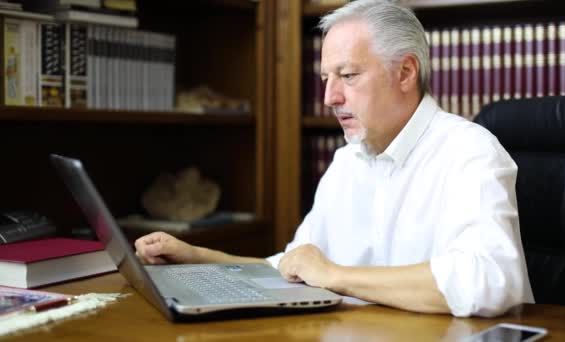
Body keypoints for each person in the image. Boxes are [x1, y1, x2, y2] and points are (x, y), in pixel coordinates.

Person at [135, 0, 534, 317]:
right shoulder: (348, 162)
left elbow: (491, 281)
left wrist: (336, 275)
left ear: (406, 72)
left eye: (348, 75)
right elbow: (294, 267)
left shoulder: (470, 151)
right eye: (327, 78)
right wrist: (198, 258)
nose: (330, 98)